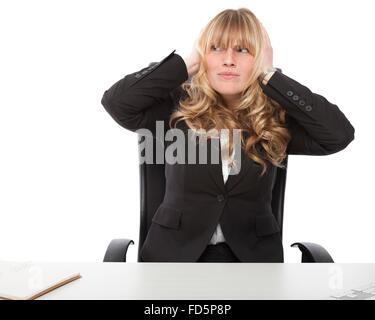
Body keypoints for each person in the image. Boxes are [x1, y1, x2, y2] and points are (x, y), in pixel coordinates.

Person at [101, 8, 355, 262]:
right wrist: (187, 64)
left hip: (252, 264)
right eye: (217, 48)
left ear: (259, 58)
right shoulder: (177, 108)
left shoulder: (273, 117)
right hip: (172, 260)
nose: (229, 60)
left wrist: (270, 76)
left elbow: (339, 135)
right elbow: (117, 102)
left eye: (243, 50)